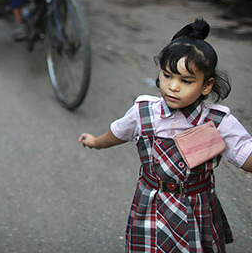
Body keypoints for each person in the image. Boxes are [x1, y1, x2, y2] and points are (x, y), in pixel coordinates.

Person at [79, 19, 252, 252]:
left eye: (186, 81)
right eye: (167, 75)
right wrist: (95, 142)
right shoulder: (143, 111)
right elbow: (118, 133)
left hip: (195, 207)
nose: (173, 86)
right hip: (150, 202)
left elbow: (246, 157)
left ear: (206, 85)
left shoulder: (218, 122)